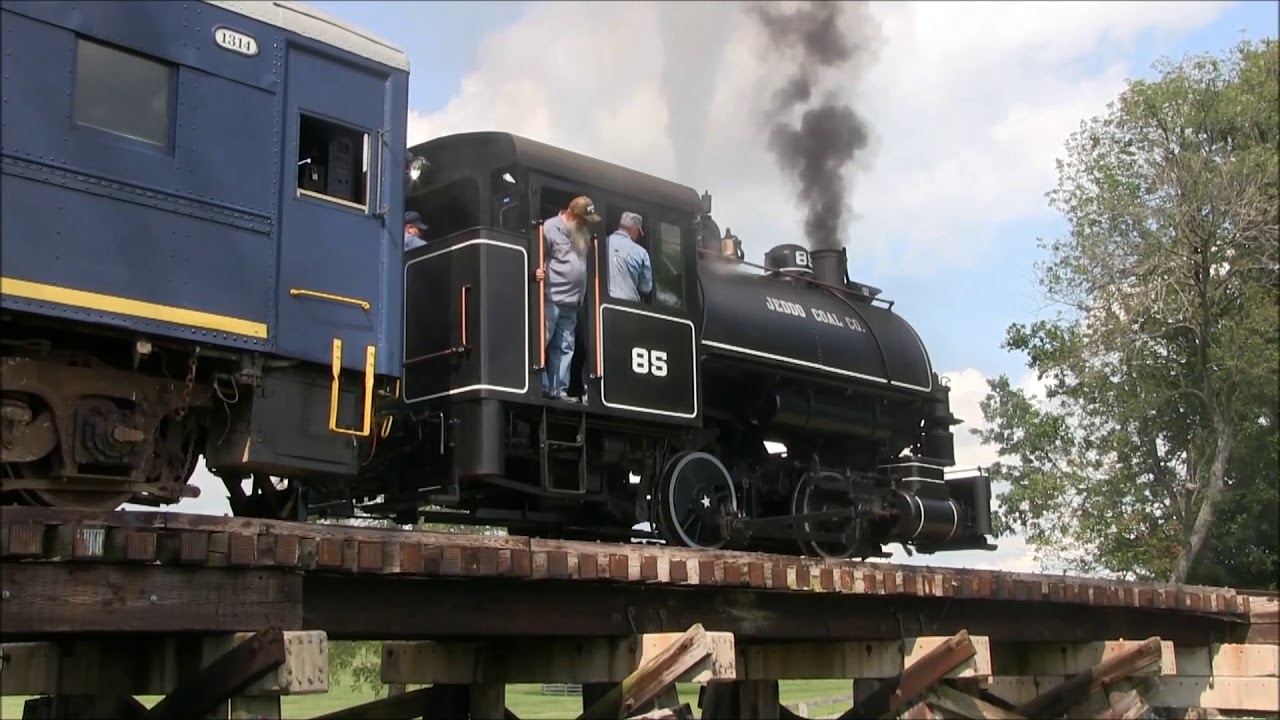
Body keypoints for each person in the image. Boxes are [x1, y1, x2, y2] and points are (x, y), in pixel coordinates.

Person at [534, 195, 600, 402]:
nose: (586, 224)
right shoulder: (550, 228)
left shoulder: (579, 232)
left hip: (572, 302)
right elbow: (538, 254)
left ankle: (558, 389)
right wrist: (537, 271)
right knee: (541, 342)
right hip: (551, 297)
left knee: (564, 347)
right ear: (572, 215)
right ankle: (540, 385)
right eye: (583, 220)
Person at [607, 211, 653, 302]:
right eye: (638, 232)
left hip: (603, 301)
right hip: (629, 306)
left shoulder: (601, 243)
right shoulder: (641, 253)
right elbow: (646, 287)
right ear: (635, 230)